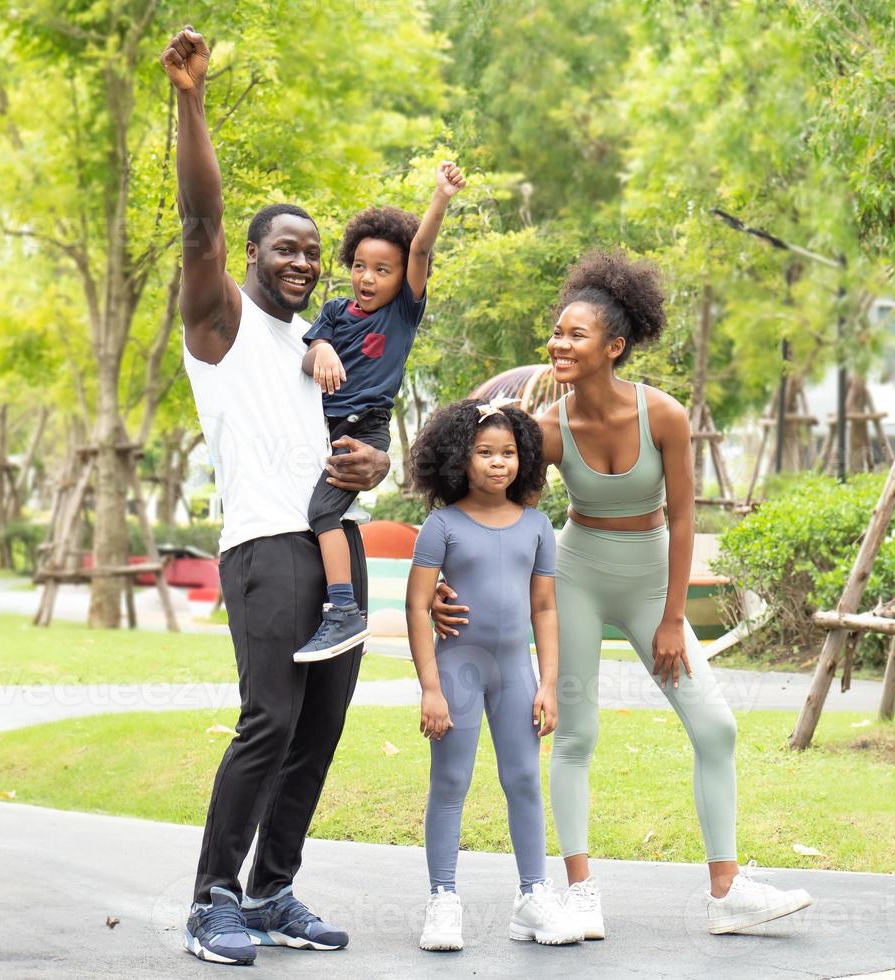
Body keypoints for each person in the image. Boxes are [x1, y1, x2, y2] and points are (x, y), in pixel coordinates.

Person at [432, 251, 813, 939]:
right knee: (576, 735)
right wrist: (440, 588)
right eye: (556, 332)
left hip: (649, 581)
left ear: (614, 346)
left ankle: (725, 891)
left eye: (575, 334)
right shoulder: (545, 431)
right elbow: (485, 506)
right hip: (577, 574)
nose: (558, 344)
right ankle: (579, 892)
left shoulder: (662, 415)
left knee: (715, 727)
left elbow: (687, 517)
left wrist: (672, 617)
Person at [163, 26, 391, 965]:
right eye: (285, 248)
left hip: (337, 551)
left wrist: (371, 470)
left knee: (322, 729)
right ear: (252, 255)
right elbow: (200, 224)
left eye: (313, 254)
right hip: (264, 548)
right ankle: (210, 901)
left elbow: (357, 453)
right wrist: (190, 100)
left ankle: (270, 891)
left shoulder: (320, 352)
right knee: (272, 720)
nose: (303, 262)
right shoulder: (220, 326)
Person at [405, 400, 582, 951]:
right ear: (460, 458)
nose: (497, 463)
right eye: (484, 453)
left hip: (515, 673)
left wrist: (549, 683)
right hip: (458, 669)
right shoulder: (441, 525)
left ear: (525, 459)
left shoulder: (536, 527)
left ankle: (533, 897)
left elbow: (546, 609)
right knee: (451, 784)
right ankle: (442, 900)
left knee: (525, 781)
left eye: (508, 453)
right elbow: (417, 607)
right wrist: (430, 688)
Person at [294, 163, 466, 663]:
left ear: (403, 278)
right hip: (317, 428)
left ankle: (344, 610)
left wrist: (440, 197)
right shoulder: (332, 311)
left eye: (383, 270)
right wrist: (322, 350)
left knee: (322, 513)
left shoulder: (402, 313)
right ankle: (332, 605)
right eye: (360, 266)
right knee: (314, 515)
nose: (368, 278)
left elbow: (420, 249)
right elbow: (310, 351)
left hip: (363, 430)